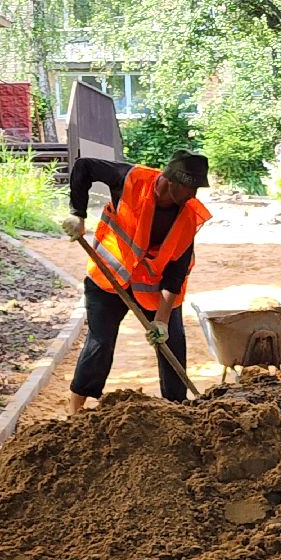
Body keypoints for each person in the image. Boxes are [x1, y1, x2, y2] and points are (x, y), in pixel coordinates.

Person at [60, 150, 212, 413]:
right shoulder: (131, 179)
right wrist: (78, 214)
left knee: (172, 343)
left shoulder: (188, 216)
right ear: (171, 180)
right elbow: (84, 166)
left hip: (151, 288)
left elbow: (176, 275)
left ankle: (177, 410)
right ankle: (76, 406)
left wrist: (162, 321)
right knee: (100, 342)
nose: (193, 195)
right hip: (108, 277)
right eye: (190, 188)